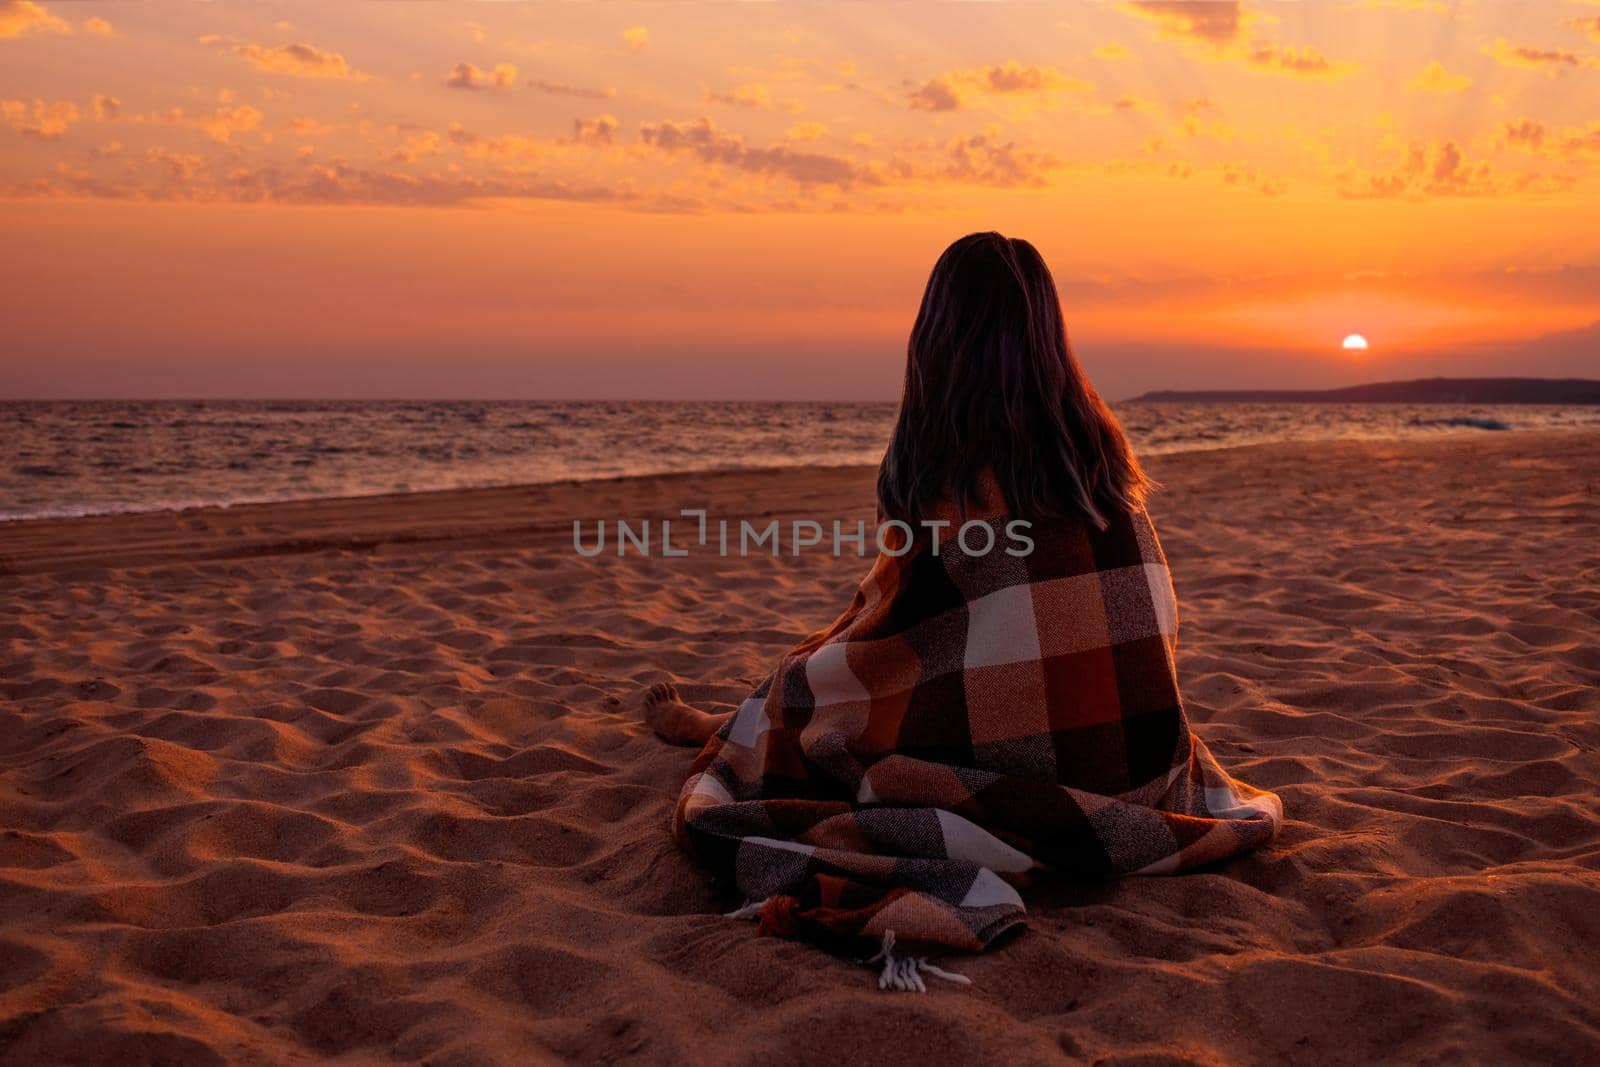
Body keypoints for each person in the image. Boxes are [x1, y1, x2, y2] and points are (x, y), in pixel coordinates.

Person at [643, 232, 1282, 979]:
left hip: (1021, 771)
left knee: (803, 688)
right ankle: (733, 715)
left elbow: (903, 632)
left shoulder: (945, 473)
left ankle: (722, 722)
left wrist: (821, 665)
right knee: (848, 655)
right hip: (1136, 768)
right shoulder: (1100, 463)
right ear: (1049, 337)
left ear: (934, 342)